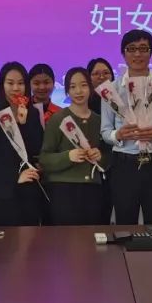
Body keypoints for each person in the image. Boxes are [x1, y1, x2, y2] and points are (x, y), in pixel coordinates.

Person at [100, 30, 152, 224]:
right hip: (124, 164)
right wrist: (118, 135)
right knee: (125, 223)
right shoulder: (111, 89)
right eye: (132, 49)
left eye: (143, 49)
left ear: (151, 52)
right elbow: (105, 131)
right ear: (123, 53)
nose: (137, 54)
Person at [39, 67, 110, 225]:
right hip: (63, 190)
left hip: (92, 189)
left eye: (83, 85)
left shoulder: (99, 120)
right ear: (67, 91)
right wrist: (68, 156)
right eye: (72, 86)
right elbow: (44, 158)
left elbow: (108, 156)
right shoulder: (58, 119)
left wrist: (100, 157)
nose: (78, 91)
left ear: (90, 88)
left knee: (91, 236)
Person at [0, 62, 47, 226]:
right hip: (3, 190)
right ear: (2, 85)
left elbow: (36, 149)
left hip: (29, 187)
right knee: (9, 239)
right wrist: (15, 176)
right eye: (10, 83)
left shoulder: (32, 112)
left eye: (21, 83)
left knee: (31, 237)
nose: (16, 88)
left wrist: (23, 124)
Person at [86, 57, 116, 222]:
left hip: (114, 165)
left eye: (106, 73)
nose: (101, 77)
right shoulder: (83, 103)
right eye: (96, 73)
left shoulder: (118, 102)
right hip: (89, 165)